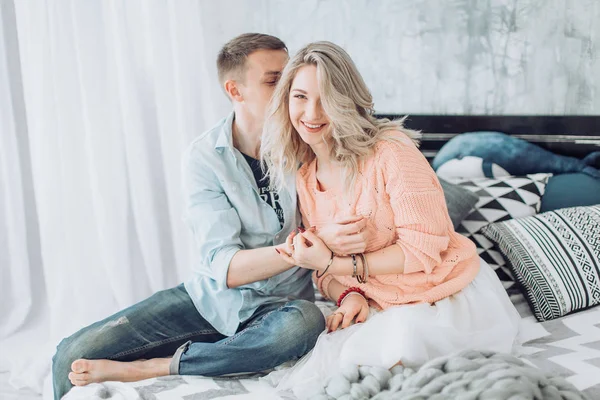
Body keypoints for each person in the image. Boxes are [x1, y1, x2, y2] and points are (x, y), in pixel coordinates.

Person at [51, 33, 370, 400]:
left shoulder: (309, 141)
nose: (288, 91)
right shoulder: (204, 158)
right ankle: (204, 355)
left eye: (289, 79)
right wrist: (307, 247)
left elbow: (358, 216)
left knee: (304, 324)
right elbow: (226, 268)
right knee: (69, 355)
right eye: (273, 81)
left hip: (282, 309)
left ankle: (158, 366)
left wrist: (350, 290)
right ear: (235, 91)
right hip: (210, 300)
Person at [260, 41, 521, 392]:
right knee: (337, 377)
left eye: (327, 98)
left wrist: (335, 265)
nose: (312, 112)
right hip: (378, 302)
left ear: (349, 100)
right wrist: (349, 294)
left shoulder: (391, 152)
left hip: (445, 295)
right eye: (301, 96)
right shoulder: (306, 177)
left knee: (396, 358)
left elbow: (422, 251)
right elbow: (321, 272)